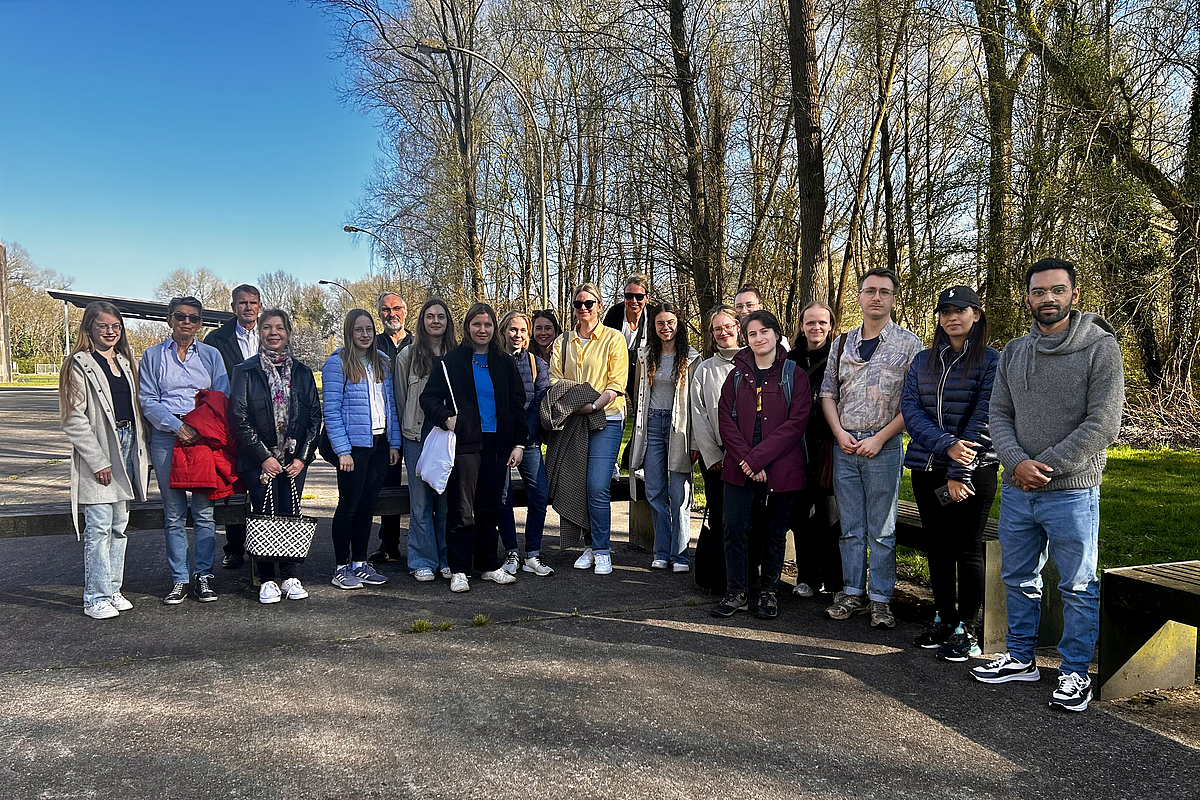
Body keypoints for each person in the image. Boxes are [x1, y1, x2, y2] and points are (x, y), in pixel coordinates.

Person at [970, 258, 1124, 713]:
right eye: (1039, 292)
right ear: (1027, 298)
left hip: (1073, 491)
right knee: (1018, 577)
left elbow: (1104, 422)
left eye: (1057, 290)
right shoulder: (1015, 351)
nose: (1048, 298)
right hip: (1018, 490)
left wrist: (1046, 467)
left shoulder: (1100, 348)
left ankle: (1075, 671)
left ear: (1074, 294)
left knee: (1077, 585)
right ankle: (1021, 658)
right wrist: (1017, 463)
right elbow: (999, 414)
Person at [902, 286, 1000, 660]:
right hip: (927, 468)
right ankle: (943, 618)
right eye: (945, 311)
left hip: (974, 471)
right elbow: (911, 411)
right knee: (938, 547)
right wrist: (946, 445)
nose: (952, 317)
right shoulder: (922, 361)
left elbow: (985, 416)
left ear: (976, 314)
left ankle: (967, 629)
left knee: (966, 548)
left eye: (960, 310)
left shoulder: (991, 360)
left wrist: (960, 469)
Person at [821, 268, 922, 629]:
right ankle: (851, 592)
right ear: (859, 297)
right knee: (850, 526)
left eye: (884, 291)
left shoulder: (909, 345)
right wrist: (839, 433)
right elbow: (828, 393)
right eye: (870, 291)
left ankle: (880, 599)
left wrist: (880, 438)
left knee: (882, 528)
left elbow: (913, 403)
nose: (876, 297)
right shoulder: (841, 343)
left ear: (893, 298)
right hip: (846, 446)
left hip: (884, 445)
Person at [421, 303, 528, 593]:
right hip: (465, 444)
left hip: (498, 445)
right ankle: (459, 569)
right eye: (477, 324)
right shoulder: (451, 362)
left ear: (495, 328)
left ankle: (487, 566)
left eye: (488, 324)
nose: (482, 330)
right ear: (467, 327)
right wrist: (446, 418)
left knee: (488, 509)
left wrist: (519, 443)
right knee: (461, 509)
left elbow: (517, 404)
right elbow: (428, 398)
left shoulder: (505, 362)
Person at [711, 310, 810, 621]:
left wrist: (758, 459)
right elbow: (725, 420)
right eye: (752, 334)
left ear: (776, 334)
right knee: (734, 528)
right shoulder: (736, 375)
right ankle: (737, 591)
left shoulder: (795, 375)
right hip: (739, 465)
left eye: (764, 331)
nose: (759, 338)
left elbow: (796, 424)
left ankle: (768, 591)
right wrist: (747, 460)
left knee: (774, 532)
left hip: (781, 465)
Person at [59, 302, 150, 619]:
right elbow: (73, 419)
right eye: (103, 326)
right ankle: (95, 597)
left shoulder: (126, 363)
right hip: (101, 447)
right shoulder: (78, 364)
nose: (111, 332)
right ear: (89, 328)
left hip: (128, 444)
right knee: (99, 526)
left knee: (119, 526)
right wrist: (98, 461)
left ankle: (112, 589)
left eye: (116, 326)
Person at [139, 296, 230, 604]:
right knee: (174, 513)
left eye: (193, 318)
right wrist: (177, 426)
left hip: (202, 437)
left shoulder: (211, 355)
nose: (186, 322)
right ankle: (179, 578)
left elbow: (220, 395)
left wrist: (199, 428)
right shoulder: (153, 355)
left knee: (204, 512)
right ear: (170, 319)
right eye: (180, 316)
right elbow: (148, 399)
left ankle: (204, 576)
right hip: (167, 437)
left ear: (200, 323)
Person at [229, 309, 322, 604]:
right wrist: (263, 457)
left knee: (290, 513)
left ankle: (290, 576)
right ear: (260, 332)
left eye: (279, 328)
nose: (273, 333)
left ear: (288, 333)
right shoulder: (245, 371)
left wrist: (303, 458)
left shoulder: (303, 373)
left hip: (294, 459)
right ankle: (267, 578)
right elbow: (239, 418)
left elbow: (314, 417)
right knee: (264, 515)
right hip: (260, 460)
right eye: (267, 327)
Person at [550, 283, 629, 576]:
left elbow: (616, 384)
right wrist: (578, 404)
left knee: (597, 485)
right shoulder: (563, 341)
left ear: (599, 305)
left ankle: (603, 549)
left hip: (606, 418)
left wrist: (593, 405)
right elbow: (555, 379)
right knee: (578, 483)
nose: (583, 308)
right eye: (578, 303)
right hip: (574, 419)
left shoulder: (613, 338)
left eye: (589, 303)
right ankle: (589, 545)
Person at [322, 309, 401, 590]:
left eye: (368, 329)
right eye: (358, 330)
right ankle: (341, 567)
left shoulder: (383, 362)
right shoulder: (337, 363)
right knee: (349, 506)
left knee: (368, 506)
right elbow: (331, 411)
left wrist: (394, 442)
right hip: (353, 447)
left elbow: (391, 405)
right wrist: (342, 450)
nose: (365, 335)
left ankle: (359, 562)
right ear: (349, 332)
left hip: (380, 444)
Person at [628, 303, 700, 572]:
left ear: (678, 324)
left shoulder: (692, 358)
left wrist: (695, 441)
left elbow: (696, 403)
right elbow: (638, 393)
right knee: (655, 491)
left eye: (670, 322)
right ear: (653, 326)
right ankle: (661, 551)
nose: (665, 327)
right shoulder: (646, 356)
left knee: (679, 494)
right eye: (660, 323)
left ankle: (680, 555)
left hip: (679, 427)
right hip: (652, 427)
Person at [394, 298, 456, 582]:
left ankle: (446, 558)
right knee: (420, 503)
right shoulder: (407, 355)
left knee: (446, 501)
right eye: (430, 316)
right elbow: (401, 398)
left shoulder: (458, 354)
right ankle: (422, 560)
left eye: (441, 316)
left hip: (447, 436)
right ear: (422, 321)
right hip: (417, 436)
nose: (435, 321)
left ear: (448, 322)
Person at [203, 284, 262, 570]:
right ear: (233, 307)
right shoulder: (216, 339)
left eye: (253, 302)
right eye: (242, 303)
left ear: (260, 307)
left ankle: (264, 548)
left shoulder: (271, 333)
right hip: (231, 422)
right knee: (235, 486)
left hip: (266, 422)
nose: (248, 307)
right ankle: (235, 547)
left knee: (263, 488)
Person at [787, 301, 843, 599]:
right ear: (801, 326)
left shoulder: (841, 357)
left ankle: (836, 582)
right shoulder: (790, 360)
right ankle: (807, 576)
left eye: (822, 322)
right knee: (801, 516)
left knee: (830, 516)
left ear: (831, 325)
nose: (816, 327)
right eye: (810, 322)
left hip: (830, 447)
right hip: (797, 447)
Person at [497, 310, 554, 577]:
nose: (517, 335)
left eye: (522, 330)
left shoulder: (536, 364)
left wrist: (523, 439)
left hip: (528, 442)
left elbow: (540, 402)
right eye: (512, 330)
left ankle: (533, 553)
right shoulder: (492, 361)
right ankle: (511, 552)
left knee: (539, 495)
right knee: (502, 497)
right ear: (503, 332)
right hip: (499, 441)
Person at [689, 305, 742, 592]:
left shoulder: (754, 362)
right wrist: (712, 456)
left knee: (745, 521)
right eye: (717, 328)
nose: (723, 332)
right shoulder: (705, 369)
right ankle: (722, 579)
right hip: (717, 456)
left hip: (749, 456)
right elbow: (698, 414)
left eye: (728, 326)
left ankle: (747, 577)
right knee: (720, 518)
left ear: (738, 327)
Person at [370, 291, 413, 564]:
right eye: (386, 310)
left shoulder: (418, 343)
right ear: (379, 314)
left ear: (405, 312)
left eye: (396, 308)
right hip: (385, 427)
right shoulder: (372, 345)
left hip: (417, 422)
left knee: (427, 481)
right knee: (388, 484)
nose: (391, 314)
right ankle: (389, 543)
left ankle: (428, 542)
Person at [732, 284, 789, 349]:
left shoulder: (777, 341)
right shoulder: (729, 339)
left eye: (749, 305)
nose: (744, 311)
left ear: (760, 308)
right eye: (739, 306)